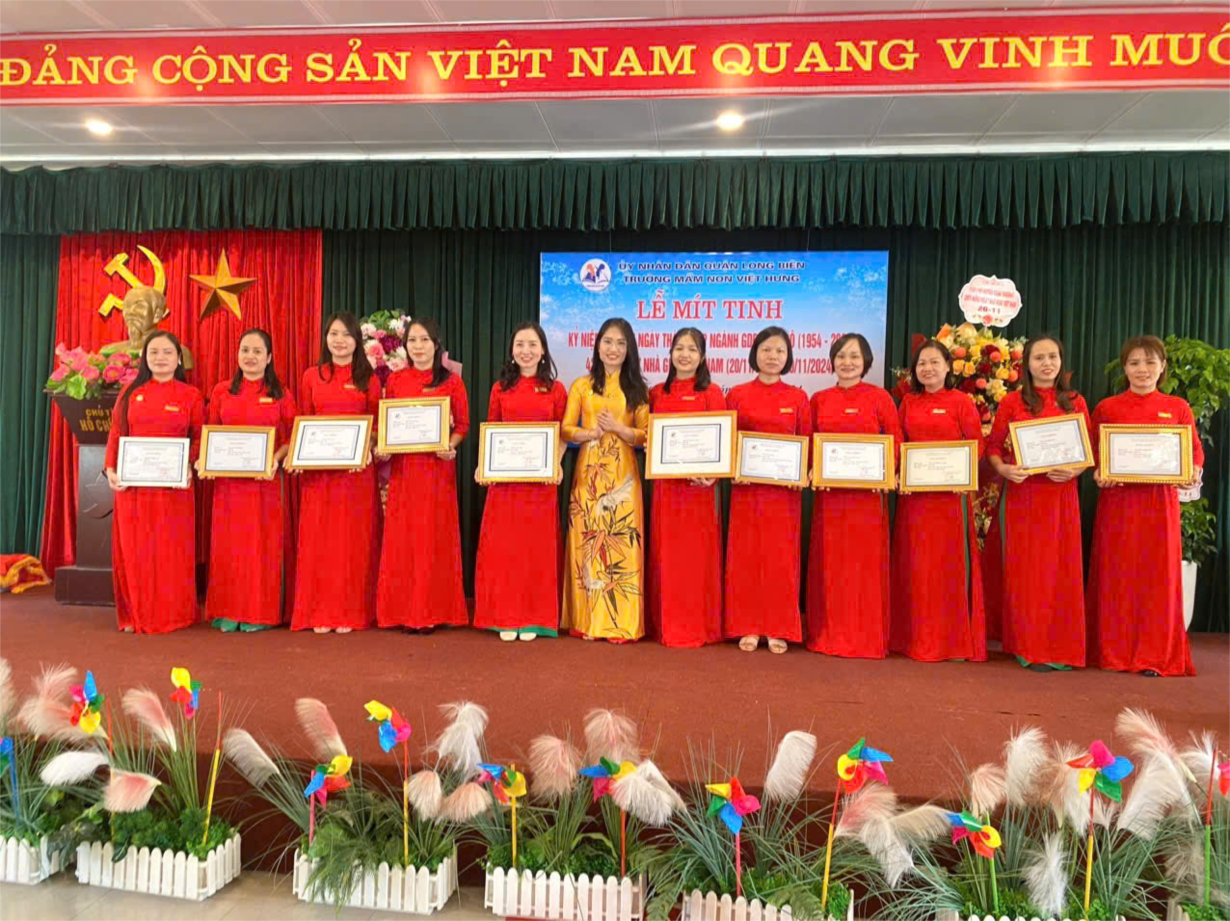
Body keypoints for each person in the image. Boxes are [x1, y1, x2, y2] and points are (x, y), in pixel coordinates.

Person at [1087, 335, 1203, 677]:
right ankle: (1113, 653)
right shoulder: (1107, 408)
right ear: (1124, 367)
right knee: (1117, 576)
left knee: (1157, 579)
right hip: (1118, 505)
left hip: (1159, 506)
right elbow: (1093, 453)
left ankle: (1154, 656)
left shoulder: (1178, 407)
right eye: (1134, 362)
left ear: (1162, 366)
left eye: (1150, 362)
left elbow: (1194, 452)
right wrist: (1099, 472)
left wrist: (1192, 471)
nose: (1142, 369)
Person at [985, 336, 1090, 671]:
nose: (1047, 363)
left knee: (1060, 570)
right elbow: (993, 447)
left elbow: (1089, 452)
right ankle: (1026, 644)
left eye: (1053, 357)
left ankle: (1060, 644)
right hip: (1023, 496)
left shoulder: (1075, 401)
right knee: (1026, 571)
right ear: (1026, 364)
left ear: (1061, 361)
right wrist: (1004, 469)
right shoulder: (1012, 401)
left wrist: (1075, 470)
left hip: (1061, 496)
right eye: (1039, 357)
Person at [889, 339, 987, 662]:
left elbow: (977, 446)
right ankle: (913, 638)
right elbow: (898, 444)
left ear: (948, 367)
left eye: (934, 362)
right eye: (922, 363)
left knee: (947, 569)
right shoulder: (908, 402)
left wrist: (963, 475)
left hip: (949, 502)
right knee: (916, 568)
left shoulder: (961, 402)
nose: (927, 368)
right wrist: (898, 473)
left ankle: (951, 641)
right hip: (914, 501)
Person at [806, 333, 901, 658]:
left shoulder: (880, 398)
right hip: (830, 499)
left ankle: (866, 637)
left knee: (864, 568)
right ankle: (828, 634)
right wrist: (810, 470)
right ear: (832, 361)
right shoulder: (819, 399)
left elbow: (895, 442)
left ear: (866, 362)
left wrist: (888, 472)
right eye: (841, 356)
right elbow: (810, 443)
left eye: (854, 356)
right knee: (831, 565)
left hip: (868, 501)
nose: (847, 362)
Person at [104, 331, 203, 634]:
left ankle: (173, 615)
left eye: (167, 352)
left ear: (178, 359)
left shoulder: (191, 395)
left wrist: (189, 465)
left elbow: (199, 438)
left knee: (171, 552)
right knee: (136, 552)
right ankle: (136, 615)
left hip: (175, 490)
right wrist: (111, 470)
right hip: (133, 490)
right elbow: (116, 434)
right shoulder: (130, 392)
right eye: (154, 352)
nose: (161, 358)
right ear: (145, 358)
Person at [473, 322, 567, 641]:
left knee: (535, 550)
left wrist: (556, 462)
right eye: (520, 345)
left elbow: (562, 433)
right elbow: (491, 429)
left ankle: (533, 617)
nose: (526, 351)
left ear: (543, 351)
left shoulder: (556, 389)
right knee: (504, 549)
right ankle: (504, 616)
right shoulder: (500, 388)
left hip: (540, 485)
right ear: (512, 351)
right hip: (506, 483)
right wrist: (482, 465)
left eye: (532, 345)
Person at [200, 329, 297, 632]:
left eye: (257, 351)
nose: (250, 357)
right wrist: (206, 460)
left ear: (269, 358)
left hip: (266, 484)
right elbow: (210, 433)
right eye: (245, 350)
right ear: (237, 354)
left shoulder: (281, 394)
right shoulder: (222, 391)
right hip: (229, 486)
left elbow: (293, 437)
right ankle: (228, 610)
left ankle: (260, 613)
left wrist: (275, 459)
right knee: (229, 547)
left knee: (262, 547)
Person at [376, 318, 469, 631]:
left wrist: (451, 445)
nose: (418, 346)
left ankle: (432, 612)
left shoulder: (452, 381)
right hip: (404, 472)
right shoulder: (395, 381)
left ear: (436, 344)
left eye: (424, 340)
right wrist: (385, 448)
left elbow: (463, 425)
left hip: (436, 472)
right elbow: (388, 425)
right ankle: (402, 612)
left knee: (433, 539)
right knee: (404, 540)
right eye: (413, 340)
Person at [290, 312, 380, 634]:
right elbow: (303, 421)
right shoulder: (311, 376)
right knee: (320, 542)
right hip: (319, 476)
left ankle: (349, 613)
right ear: (325, 338)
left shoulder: (369, 378)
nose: (339, 340)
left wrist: (366, 446)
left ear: (357, 340)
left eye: (346, 334)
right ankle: (318, 611)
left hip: (356, 476)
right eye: (333, 334)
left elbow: (376, 427)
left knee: (351, 543)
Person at [561, 317, 650, 642]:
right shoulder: (581, 386)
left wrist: (619, 428)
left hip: (623, 479)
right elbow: (565, 429)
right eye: (608, 342)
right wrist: (590, 433)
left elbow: (646, 435)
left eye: (621, 343)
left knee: (621, 544)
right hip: (588, 475)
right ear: (597, 346)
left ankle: (622, 624)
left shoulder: (638, 389)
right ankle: (587, 621)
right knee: (588, 543)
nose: (613, 349)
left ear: (630, 350)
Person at [725, 326, 811, 654]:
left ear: (788, 357)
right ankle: (746, 624)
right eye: (766, 350)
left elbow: (807, 442)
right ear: (755, 353)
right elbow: (728, 441)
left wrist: (802, 472)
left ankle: (779, 627)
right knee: (745, 557)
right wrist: (733, 469)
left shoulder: (798, 398)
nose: (772, 356)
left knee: (780, 559)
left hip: (783, 494)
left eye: (779, 351)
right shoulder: (737, 394)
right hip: (746, 491)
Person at [647, 328, 725, 647]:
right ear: (670, 353)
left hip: (699, 491)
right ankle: (666, 625)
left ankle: (699, 625)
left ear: (702, 357)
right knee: (667, 556)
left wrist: (713, 476)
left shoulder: (712, 392)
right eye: (679, 348)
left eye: (692, 349)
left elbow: (721, 440)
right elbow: (648, 436)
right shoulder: (656, 393)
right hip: (666, 490)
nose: (685, 355)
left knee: (696, 559)